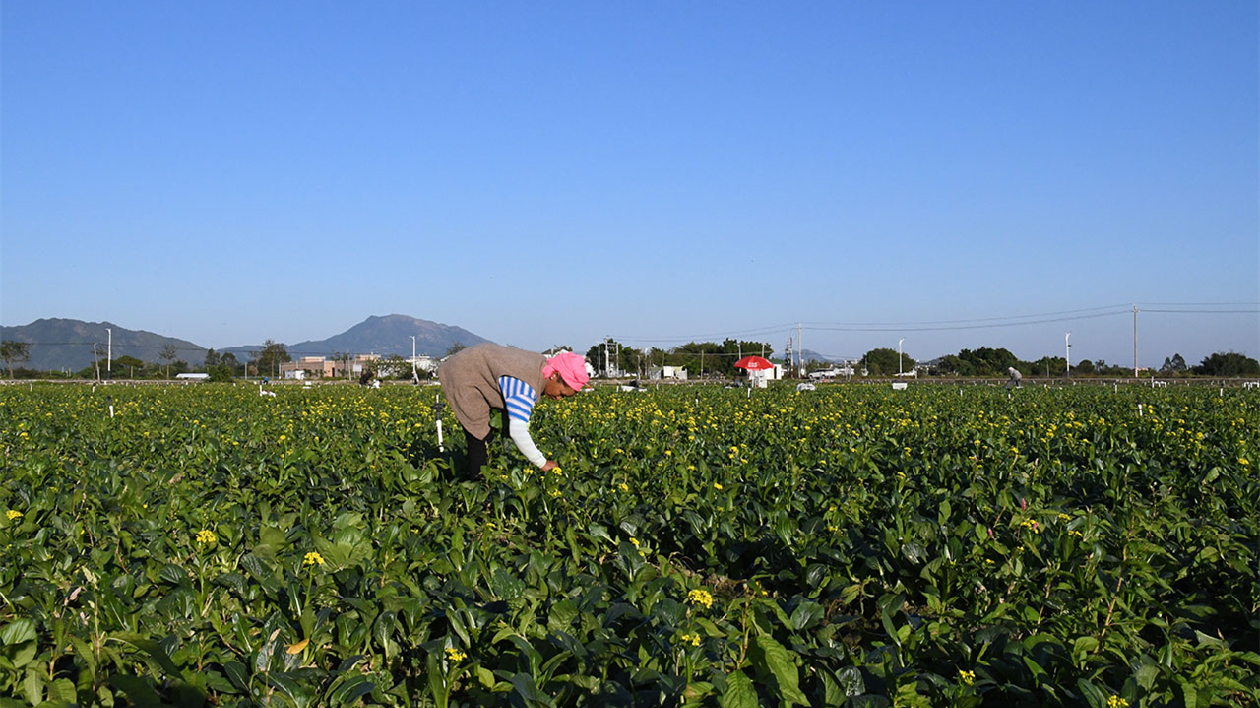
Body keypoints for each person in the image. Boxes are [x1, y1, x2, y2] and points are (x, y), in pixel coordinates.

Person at [438, 344, 589, 479]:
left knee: (493, 430)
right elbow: (517, 431)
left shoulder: (541, 366)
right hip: (464, 371)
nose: (558, 399)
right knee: (479, 435)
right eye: (561, 393)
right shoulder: (524, 387)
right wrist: (542, 463)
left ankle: (480, 473)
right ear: (555, 375)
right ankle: (478, 486)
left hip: (477, 362)